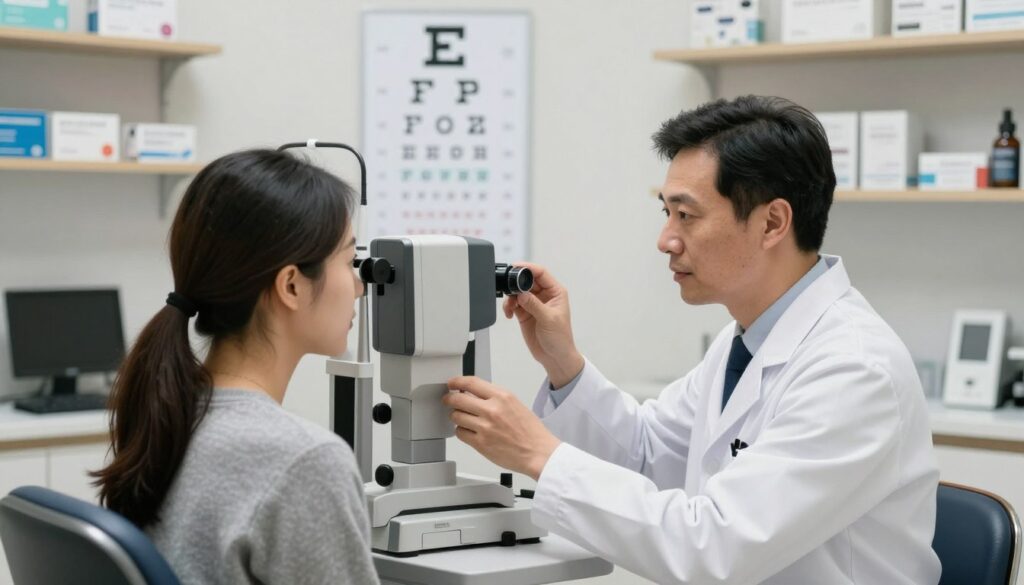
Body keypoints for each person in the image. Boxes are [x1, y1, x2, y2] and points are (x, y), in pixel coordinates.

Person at [442, 95, 941, 584]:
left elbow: (714, 550)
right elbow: (646, 453)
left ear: (772, 222)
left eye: (686, 215)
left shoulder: (853, 370)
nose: (665, 240)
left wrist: (538, 454)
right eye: (666, 212)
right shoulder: (744, 340)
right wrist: (564, 365)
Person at [91, 149, 380, 585]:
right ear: (292, 285)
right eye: (347, 259)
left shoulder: (170, 414)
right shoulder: (306, 460)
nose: (359, 285)